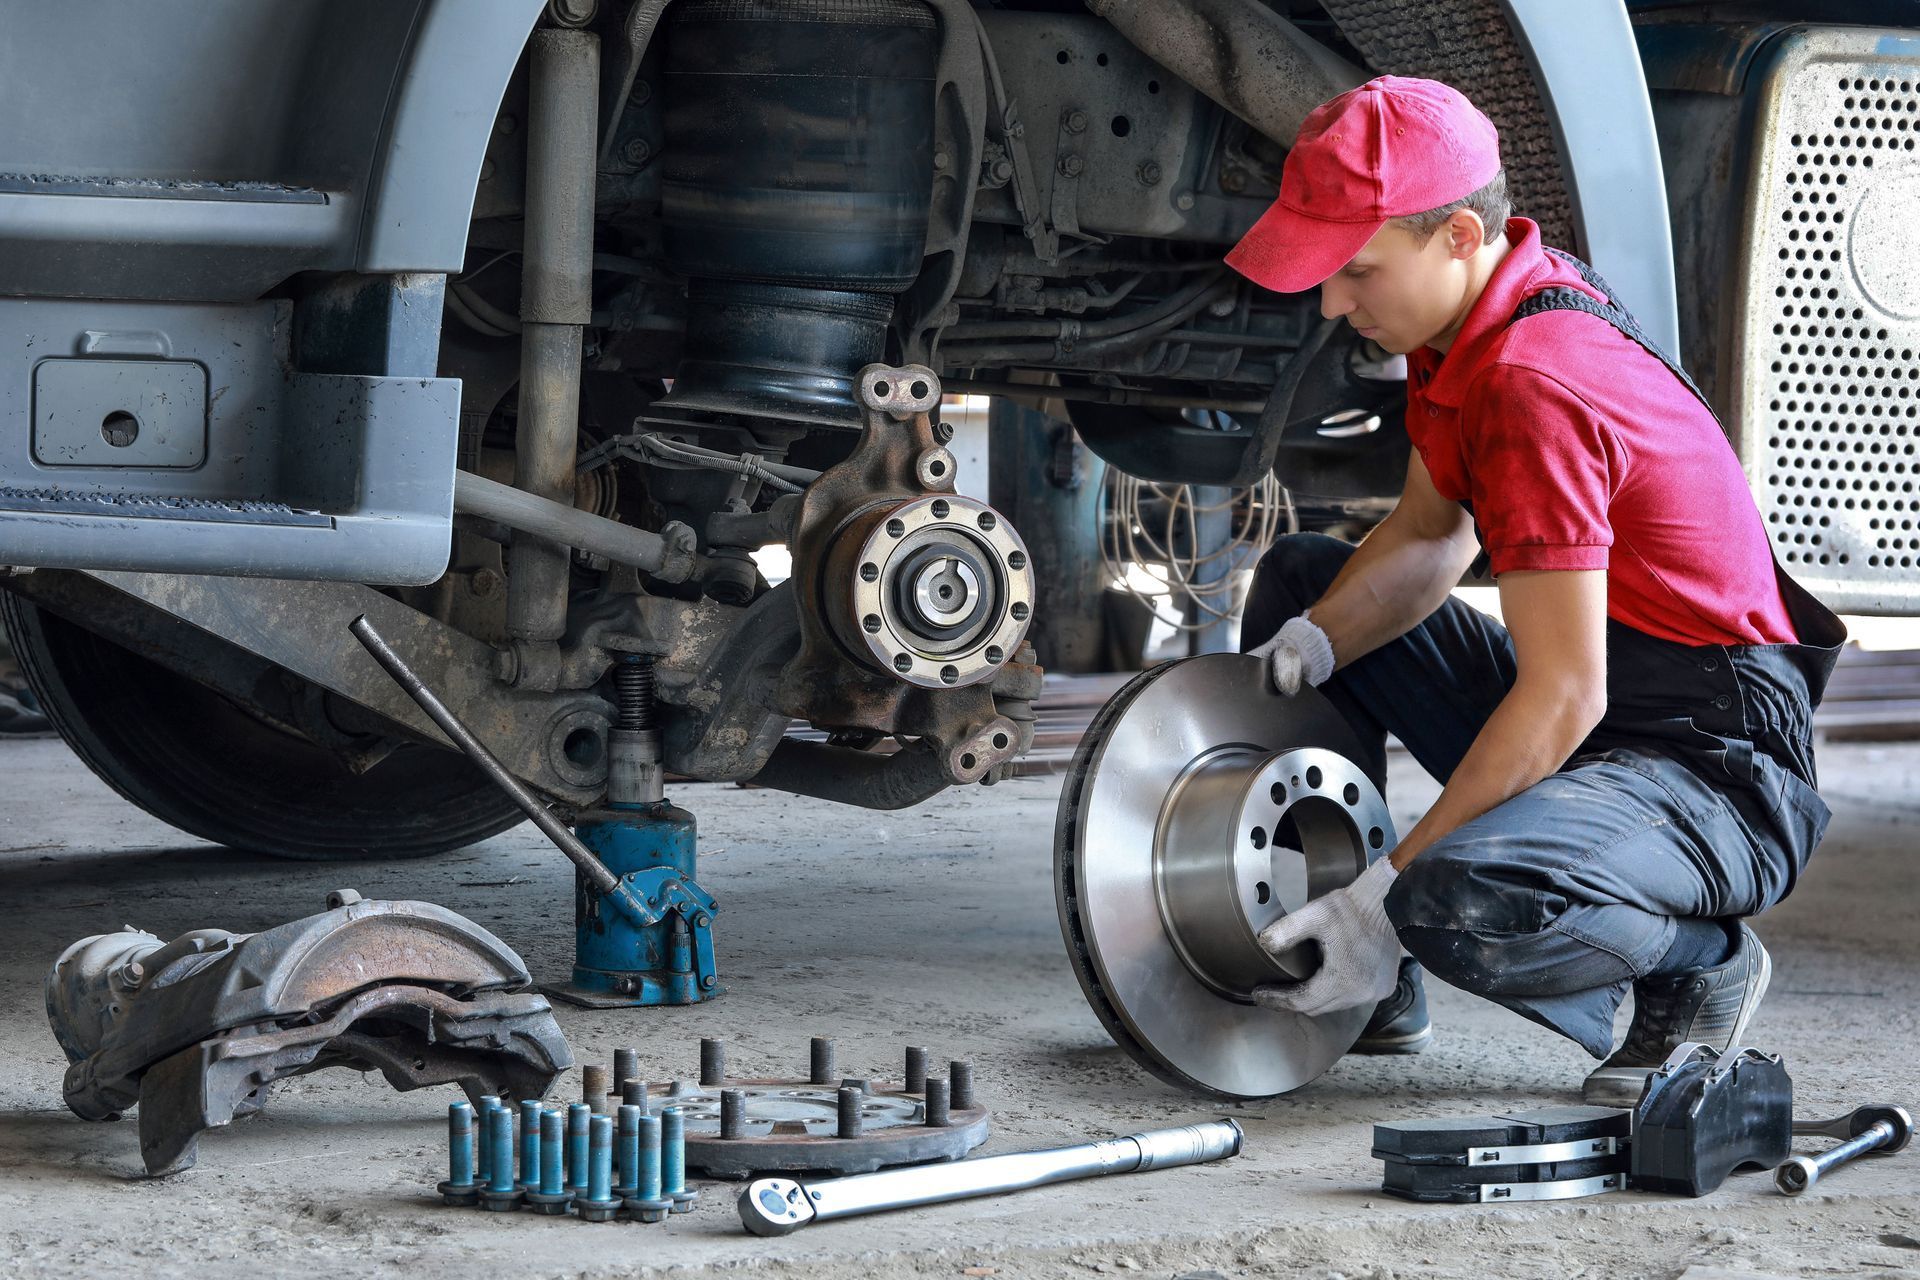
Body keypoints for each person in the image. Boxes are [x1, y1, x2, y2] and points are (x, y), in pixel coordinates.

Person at [1226, 76, 1845, 1103]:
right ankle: (1363, 966)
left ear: (1457, 235)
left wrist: (1388, 897)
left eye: (1357, 271)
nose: (1334, 303)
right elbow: (1429, 533)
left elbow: (1565, 696)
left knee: (1455, 898)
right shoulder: (1463, 325)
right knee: (1303, 582)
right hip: (1616, 700)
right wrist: (1312, 647)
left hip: (1718, 762)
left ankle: (1698, 964)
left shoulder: (1532, 381)